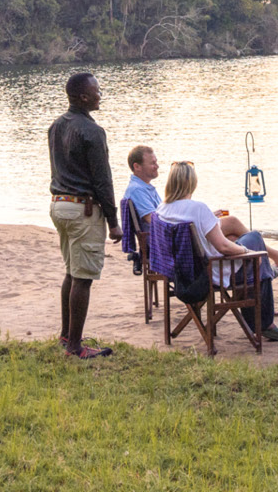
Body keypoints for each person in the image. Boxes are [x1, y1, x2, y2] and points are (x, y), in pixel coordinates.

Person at [156, 161, 278, 343]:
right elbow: (224, 248)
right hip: (210, 272)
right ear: (191, 182)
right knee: (255, 241)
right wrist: (247, 251)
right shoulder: (197, 208)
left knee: (235, 231)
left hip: (181, 272)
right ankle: (265, 323)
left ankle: (269, 268)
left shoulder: (162, 209)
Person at [48, 72, 123, 358]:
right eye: (96, 91)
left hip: (59, 204)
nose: (99, 95)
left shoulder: (56, 126)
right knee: (83, 278)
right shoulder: (92, 131)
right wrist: (114, 223)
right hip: (83, 208)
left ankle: (68, 335)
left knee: (72, 271)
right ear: (82, 97)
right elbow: (103, 180)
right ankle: (75, 347)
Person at [123, 144, 161, 220]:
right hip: (153, 232)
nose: (157, 166)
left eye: (156, 162)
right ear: (137, 167)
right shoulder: (137, 190)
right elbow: (153, 221)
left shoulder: (146, 187)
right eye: (152, 163)